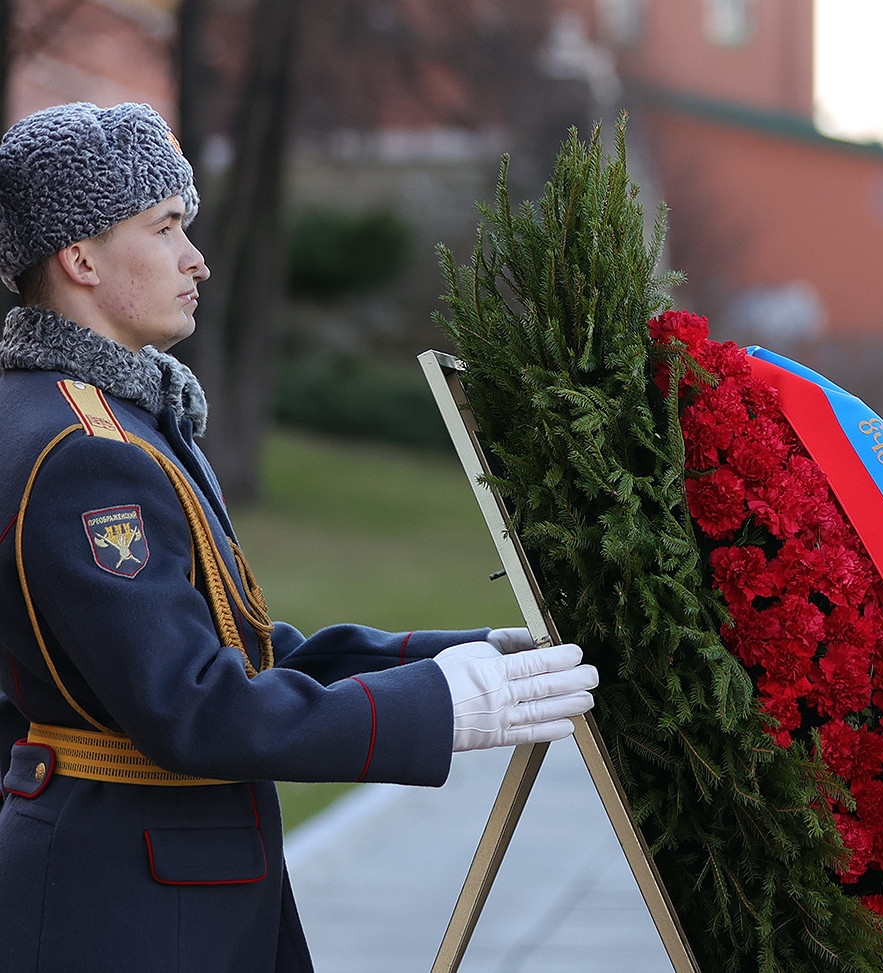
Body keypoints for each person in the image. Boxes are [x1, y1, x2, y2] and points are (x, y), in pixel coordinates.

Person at [0, 102, 598, 971]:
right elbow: (195, 709)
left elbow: (237, 650)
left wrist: (460, 658)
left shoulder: (110, 417)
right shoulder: (86, 451)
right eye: (164, 228)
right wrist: (438, 708)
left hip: (157, 889)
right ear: (81, 257)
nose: (195, 258)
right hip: (126, 912)